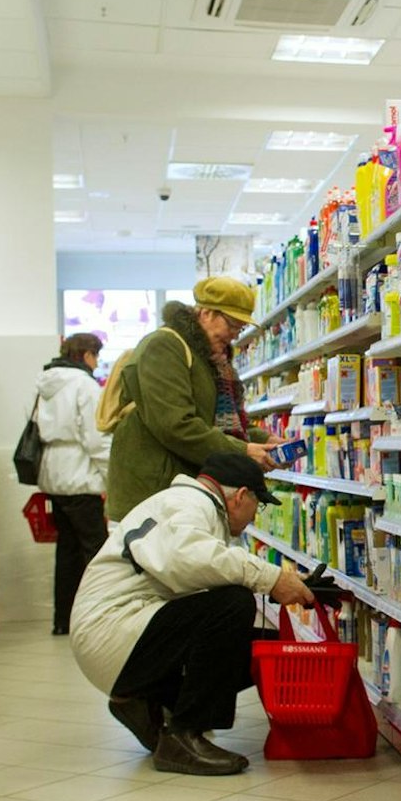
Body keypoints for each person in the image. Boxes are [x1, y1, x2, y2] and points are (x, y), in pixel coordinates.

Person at [69, 451, 316, 775]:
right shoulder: (190, 504)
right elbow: (188, 558)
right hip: (113, 633)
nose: (256, 517)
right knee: (233, 604)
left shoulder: (186, 504)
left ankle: (146, 703)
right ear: (241, 496)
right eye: (260, 504)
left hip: (118, 634)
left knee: (259, 645)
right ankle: (183, 735)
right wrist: (269, 578)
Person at [102, 276, 276, 522]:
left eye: (241, 328)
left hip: (179, 491)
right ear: (206, 313)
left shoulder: (211, 358)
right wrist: (244, 450)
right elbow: (175, 424)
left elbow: (216, 418)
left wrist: (264, 440)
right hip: (151, 493)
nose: (235, 335)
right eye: (232, 324)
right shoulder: (164, 345)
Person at [35, 332, 111, 636]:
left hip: (53, 475)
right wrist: (110, 473)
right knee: (97, 551)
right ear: (87, 355)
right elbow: (96, 437)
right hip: (81, 475)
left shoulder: (44, 383)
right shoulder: (84, 385)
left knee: (66, 552)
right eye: (96, 356)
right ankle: (100, 617)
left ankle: (62, 619)